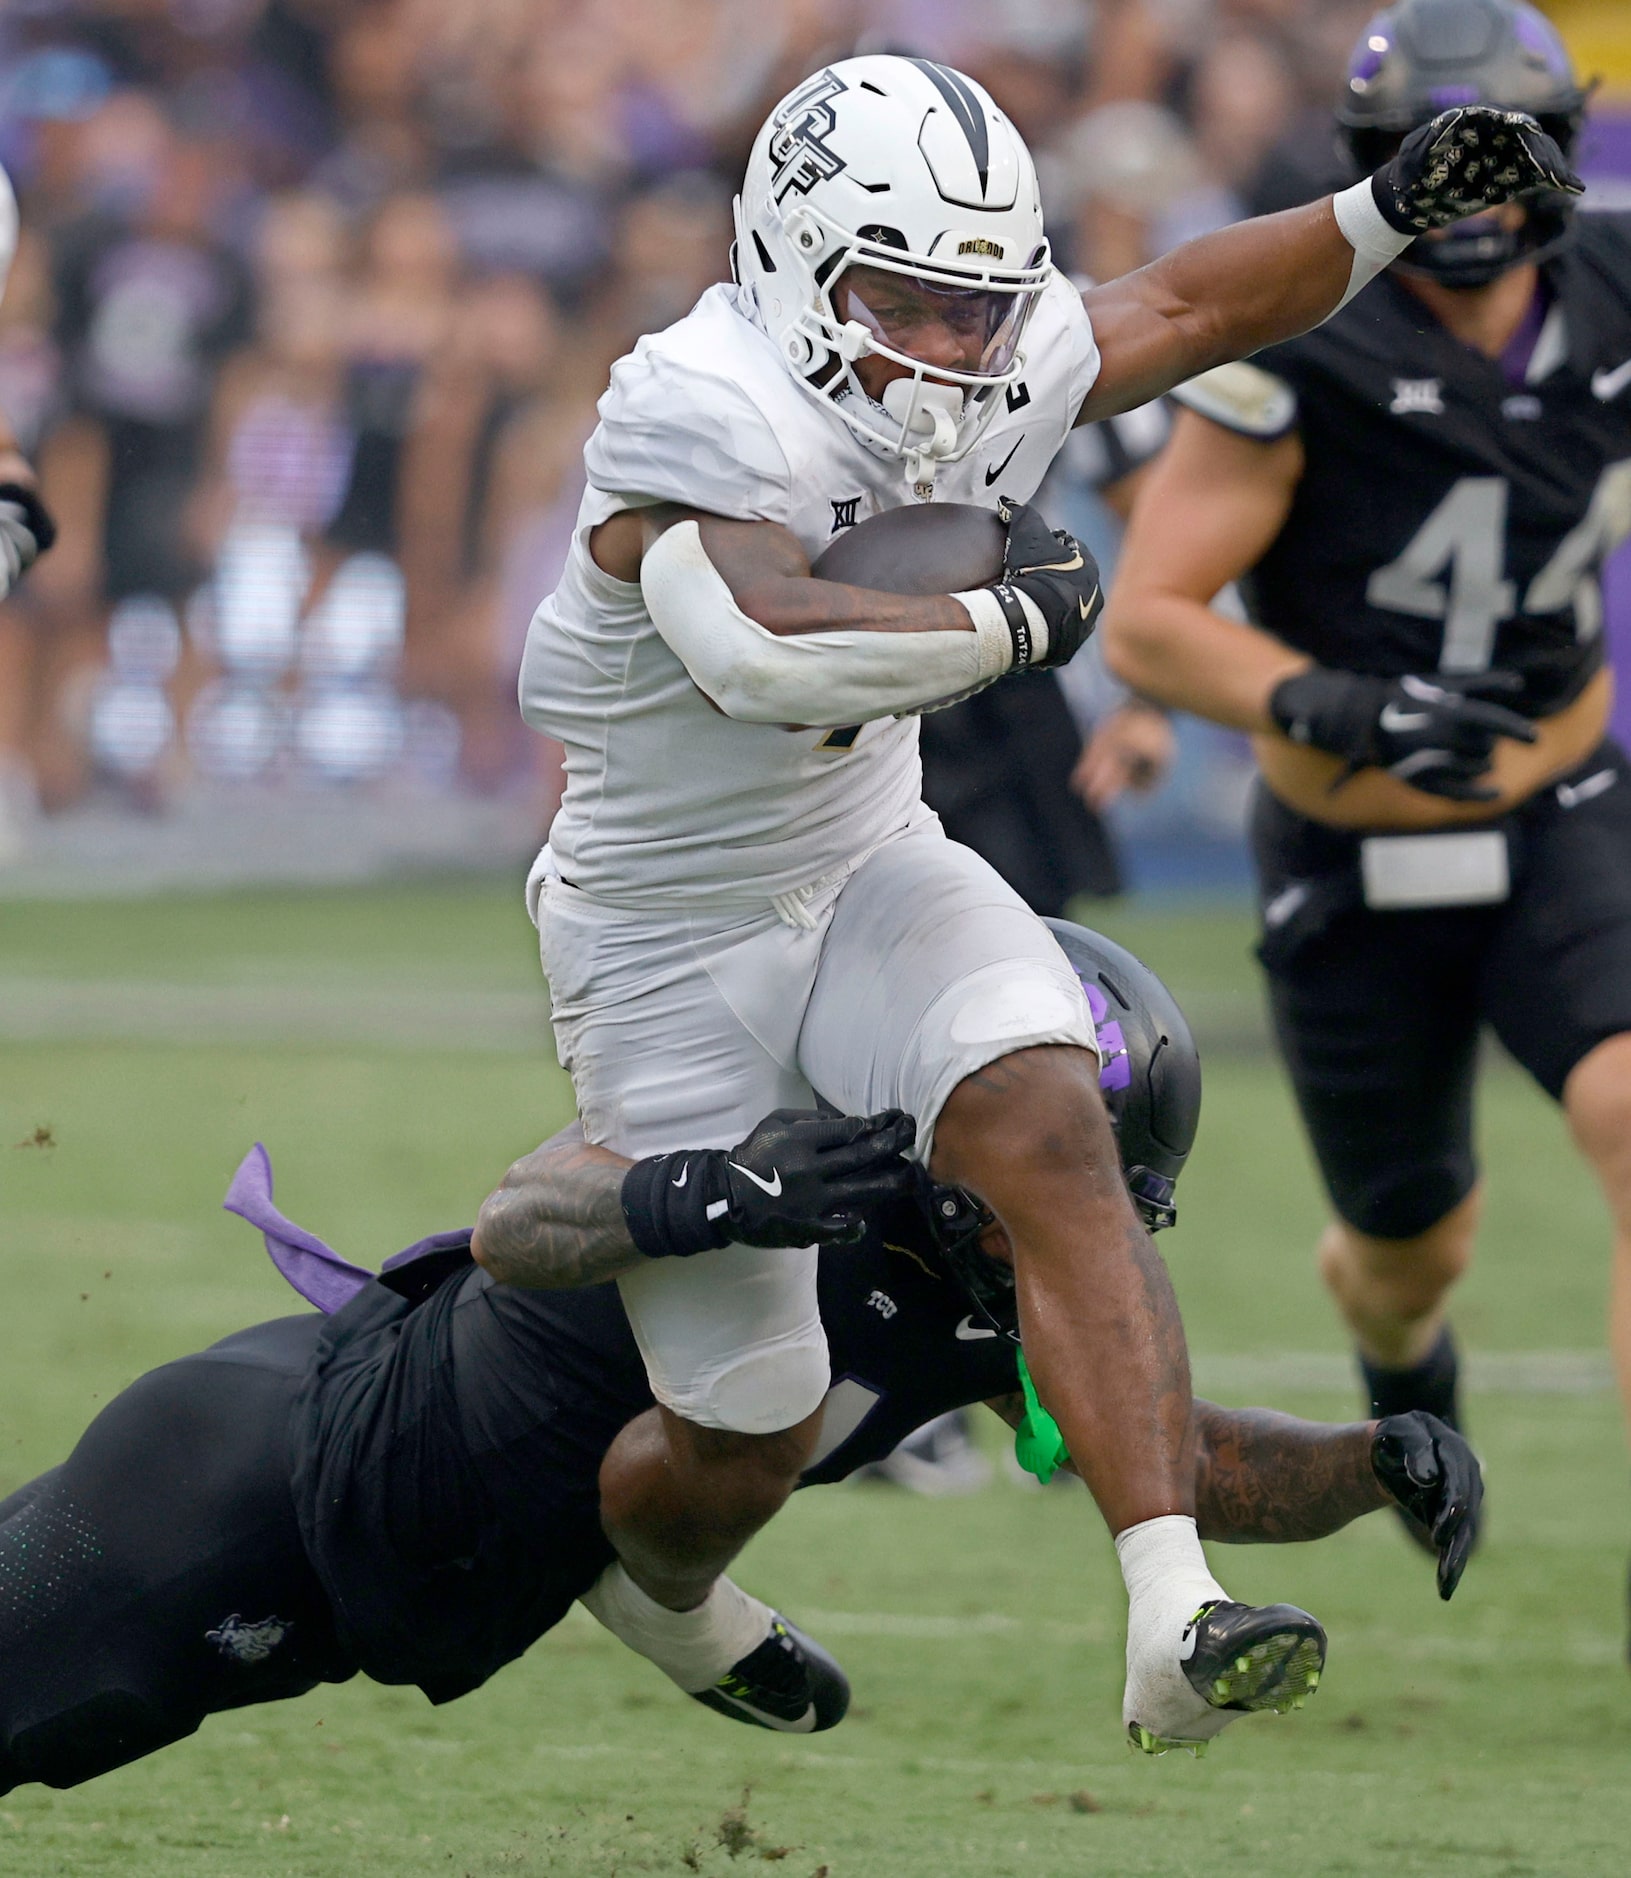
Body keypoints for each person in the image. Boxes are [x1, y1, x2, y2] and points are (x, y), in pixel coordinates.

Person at [514, 48, 1568, 1749]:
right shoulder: (698, 399)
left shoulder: (994, 351)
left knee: (1046, 1108)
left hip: (868, 852)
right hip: (661, 932)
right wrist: (1019, 624)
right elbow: (752, 650)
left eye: (975, 304)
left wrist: (1385, 210)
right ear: (790, 259)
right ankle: (659, 1590)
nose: (953, 348)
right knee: (752, 1423)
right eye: (908, 300)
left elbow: (1185, 301)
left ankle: (1174, 1608)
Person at [0, 923, 1481, 1795]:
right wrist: (702, 1186)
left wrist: (1371, 1463)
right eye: (1066, 1181)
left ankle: (666, 1597)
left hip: (420, 1570)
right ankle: (672, 1603)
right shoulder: (801, 1124)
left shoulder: (988, 1293)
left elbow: (1172, 1451)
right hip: (260, 1486)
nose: (1083, 1228)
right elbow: (516, 1221)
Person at [1101, 0, 1628, 1570]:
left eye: (1495, 168)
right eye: (1428, 170)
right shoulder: (1311, 330)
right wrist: (1343, 705)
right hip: (1352, 851)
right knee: (1408, 1254)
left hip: (1559, 806)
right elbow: (1146, 620)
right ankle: (1404, 1361)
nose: (1466, 206)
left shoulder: (1613, 283)